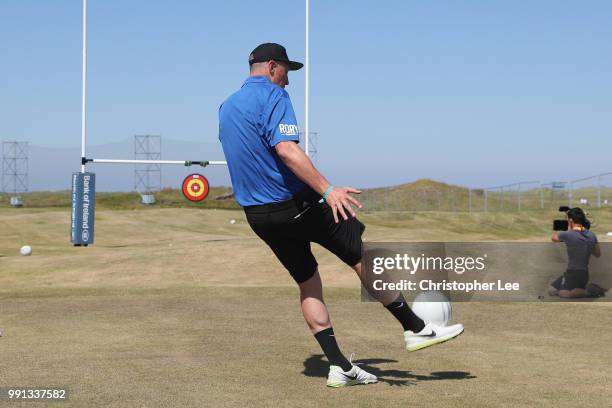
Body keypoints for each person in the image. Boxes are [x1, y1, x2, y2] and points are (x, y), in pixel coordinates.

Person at [218, 43, 464, 387]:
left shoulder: (226, 106)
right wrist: (328, 190)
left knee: (308, 282)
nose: (288, 80)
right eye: (287, 71)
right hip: (296, 203)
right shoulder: (273, 97)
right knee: (361, 256)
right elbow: (287, 150)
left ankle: (339, 366)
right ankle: (416, 328)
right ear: (273, 67)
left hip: (259, 215)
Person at [549, 207, 603, 298]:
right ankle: (584, 289)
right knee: (552, 290)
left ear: (570, 220)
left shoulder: (567, 234)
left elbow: (554, 238)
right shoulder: (591, 234)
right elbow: (597, 254)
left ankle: (590, 291)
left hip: (576, 273)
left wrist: (564, 226)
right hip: (576, 273)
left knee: (564, 293)